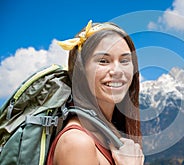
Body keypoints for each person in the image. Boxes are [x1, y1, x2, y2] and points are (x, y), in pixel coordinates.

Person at [47, 20, 144, 165]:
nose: (117, 71)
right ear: (81, 71)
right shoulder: (78, 143)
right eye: (104, 61)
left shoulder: (107, 132)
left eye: (125, 60)